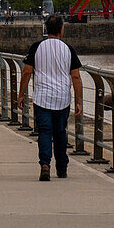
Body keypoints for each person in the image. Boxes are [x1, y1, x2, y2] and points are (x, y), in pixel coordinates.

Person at [17, 13, 83, 181]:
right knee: (60, 132)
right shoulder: (68, 49)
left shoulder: (36, 47)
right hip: (62, 98)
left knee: (44, 132)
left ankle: (45, 164)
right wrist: (79, 101)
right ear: (61, 30)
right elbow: (75, 76)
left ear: (46, 29)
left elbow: (27, 72)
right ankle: (62, 168)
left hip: (42, 97)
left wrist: (21, 94)